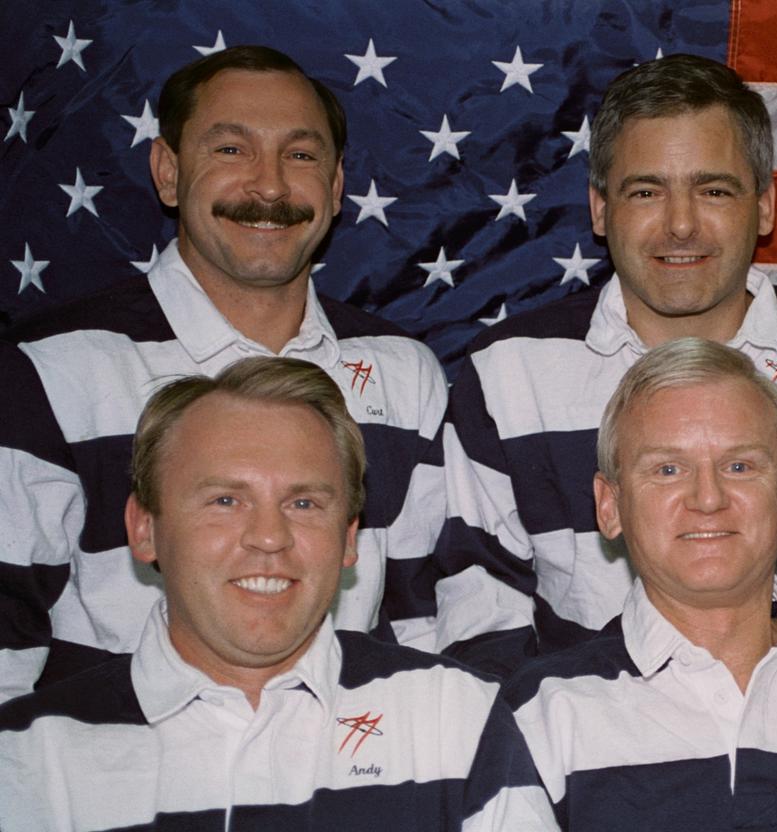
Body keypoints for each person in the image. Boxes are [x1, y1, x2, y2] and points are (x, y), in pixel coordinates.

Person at [0, 46, 448, 702]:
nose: (268, 188)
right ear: (169, 172)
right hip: (115, 785)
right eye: (231, 151)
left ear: (335, 186)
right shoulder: (49, 367)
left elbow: (420, 629)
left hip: (342, 776)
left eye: (300, 155)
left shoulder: (402, 373)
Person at [438, 53, 777, 672]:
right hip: (584, 748)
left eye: (713, 190)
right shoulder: (509, 372)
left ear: (764, 205)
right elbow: (480, 618)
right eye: (647, 191)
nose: (681, 225)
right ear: (601, 210)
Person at [0, 357, 554, 830]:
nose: (269, 536)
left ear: (348, 538)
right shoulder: (28, 758)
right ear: (144, 528)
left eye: (304, 503)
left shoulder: (455, 718)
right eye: (225, 501)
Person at [502, 338, 777, 828]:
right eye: (668, 469)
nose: (708, 498)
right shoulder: (541, 711)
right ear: (609, 506)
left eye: (739, 466)